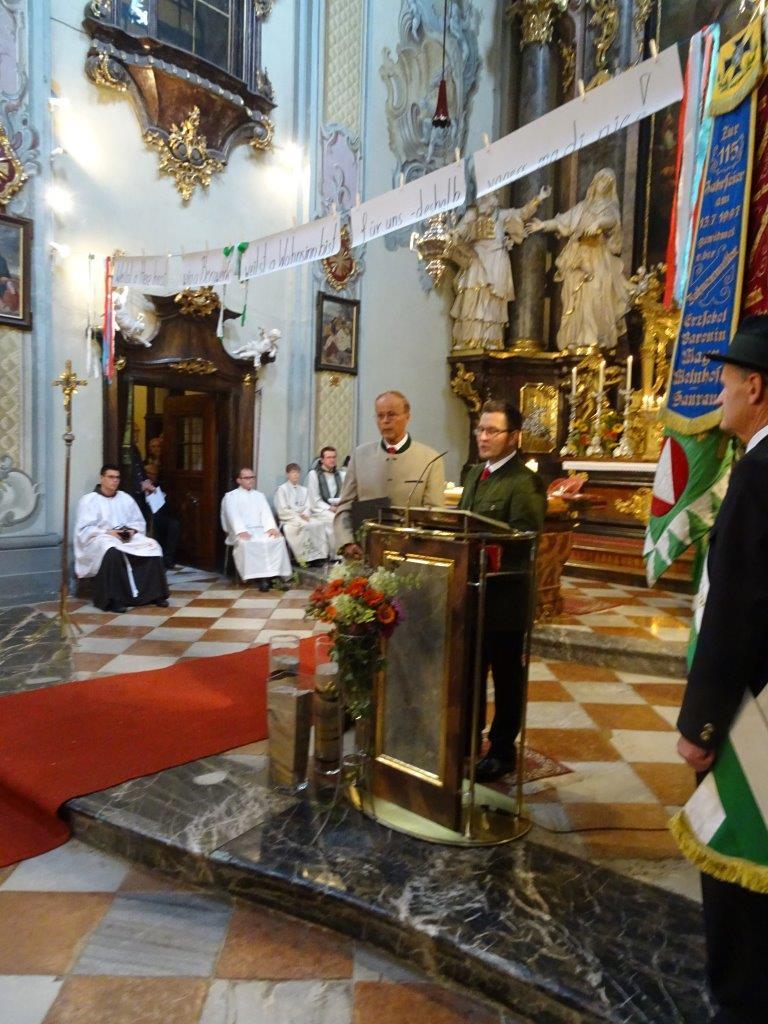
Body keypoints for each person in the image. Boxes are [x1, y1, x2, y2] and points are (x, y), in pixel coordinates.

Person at [675, 321, 768, 1024]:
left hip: (752, 708)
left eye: (726, 381)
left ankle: (741, 995)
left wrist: (700, 723)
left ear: (755, 388)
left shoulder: (758, 476)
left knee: (738, 839)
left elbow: (737, 609)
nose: (719, 393)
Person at [458, 400, 546, 782]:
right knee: (470, 671)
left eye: (492, 431)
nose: (483, 437)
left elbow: (525, 540)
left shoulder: (524, 482)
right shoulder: (475, 474)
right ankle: (466, 738)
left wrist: (482, 548)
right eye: (481, 430)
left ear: (514, 437)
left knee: (506, 676)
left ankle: (502, 750)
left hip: (505, 599)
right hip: (470, 594)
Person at [526, 167, 631, 351]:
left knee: (595, 292)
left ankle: (595, 337)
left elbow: (611, 221)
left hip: (597, 256)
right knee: (574, 295)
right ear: (595, 182)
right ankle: (577, 337)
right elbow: (563, 222)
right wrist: (543, 225)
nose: (603, 184)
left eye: (608, 182)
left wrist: (598, 223)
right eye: (601, 179)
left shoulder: (610, 207)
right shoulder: (583, 207)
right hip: (577, 254)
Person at [334, 390, 446, 558]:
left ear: (407, 417)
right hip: (365, 552)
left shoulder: (430, 459)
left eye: (392, 415)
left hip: (410, 554)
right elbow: (344, 506)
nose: (385, 421)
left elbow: (435, 515)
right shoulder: (360, 456)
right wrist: (347, 542)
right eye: (380, 416)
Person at [449, 187, 550, 351]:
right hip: (476, 258)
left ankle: (490, 340)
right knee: (472, 297)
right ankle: (469, 338)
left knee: (493, 300)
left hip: (497, 260)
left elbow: (522, 213)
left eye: (490, 196)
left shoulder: (501, 215)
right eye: (484, 197)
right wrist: (455, 235)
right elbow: (458, 233)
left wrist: (538, 198)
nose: (487, 200)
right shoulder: (471, 214)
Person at [74, 464, 169, 613]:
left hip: (126, 536)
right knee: (111, 551)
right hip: (101, 538)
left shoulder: (125, 498)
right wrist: (109, 532)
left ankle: (155, 594)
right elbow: (85, 529)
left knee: (152, 546)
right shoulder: (89, 500)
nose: (115, 480)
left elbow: (138, 522)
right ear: (102, 478)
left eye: (117, 478)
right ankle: (113, 599)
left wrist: (131, 531)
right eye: (111, 477)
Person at [221, 468, 291, 591]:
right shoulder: (231, 496)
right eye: (246, 478)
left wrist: (271, 528)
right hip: (241, 531)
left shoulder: (259, 495)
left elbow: (266, 513)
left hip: (261, 528)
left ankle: (275, 575)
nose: (250, 480)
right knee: (248, 543)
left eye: (252, 477)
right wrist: (240, 530)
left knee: (277, 540)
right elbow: (232, 515)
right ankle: (260, 578)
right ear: (239, 480)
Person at [274, 463, 329, 565]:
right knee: (304, 526)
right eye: (293, 472)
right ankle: (304, 559)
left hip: (304, 517)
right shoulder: (282, 489)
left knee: (318, 524)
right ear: (287, 474)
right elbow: (282, 509)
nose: (296, 475)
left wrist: (306, 514)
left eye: (297, 472)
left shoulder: (304, 490)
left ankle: (318, 557)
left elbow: (308, 505)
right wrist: (298, 517)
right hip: (289, 519)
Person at [306, 446, 343, 553]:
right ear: (322, 460)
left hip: (337, 508)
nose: (332, 460)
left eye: (334, 457)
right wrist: (329, 508)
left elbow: (343, 494)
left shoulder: (340, 475)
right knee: (335, 520)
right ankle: (336, 553)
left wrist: (339, 506)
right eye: (329, 457)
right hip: (319, 510)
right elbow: (314, 499)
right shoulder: (314, 475)